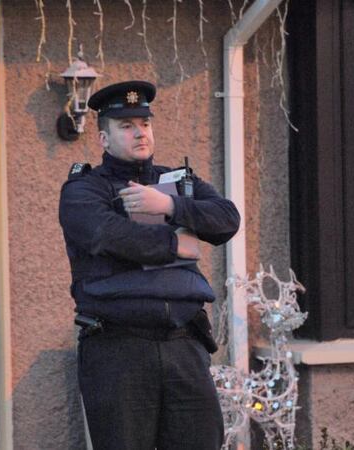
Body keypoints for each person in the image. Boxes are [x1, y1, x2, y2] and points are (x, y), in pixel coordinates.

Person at [58, 80, 240, 450]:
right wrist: (178, 243)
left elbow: (227, 218)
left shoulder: (176, 182)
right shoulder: (84, 189)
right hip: (119, 348)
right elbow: (109, 236)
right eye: (126, 126)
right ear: (104, 140)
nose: (140, 132)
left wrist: (168, 207)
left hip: (184, 343)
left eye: (145, 123)